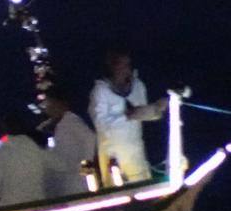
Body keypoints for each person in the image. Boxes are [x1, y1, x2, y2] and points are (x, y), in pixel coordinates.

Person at [88, 45, 167, 184]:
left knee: (143, 192)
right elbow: (100, 124)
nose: (125, 69)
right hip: (113, 157)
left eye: (127, 64)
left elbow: (143, 114)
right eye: (121, 65)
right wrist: (129, 116)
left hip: (136, 154)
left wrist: (157, 110)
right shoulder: (100, 91)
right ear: (112, 67)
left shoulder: (138, 86)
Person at [0, 112, 51, 207]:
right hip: (37, 206)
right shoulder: (36, 150)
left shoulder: (1, 154)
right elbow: (57, 168)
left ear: (4, 128)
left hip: (12, 208)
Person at [40, 87, 97, 197]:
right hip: (64, 181)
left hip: (76, 181)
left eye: (49, 103)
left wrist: (85, 170)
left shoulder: (72, 121)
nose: (47, 108)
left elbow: (90, 139)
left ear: (58, 104)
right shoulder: (53, 126)